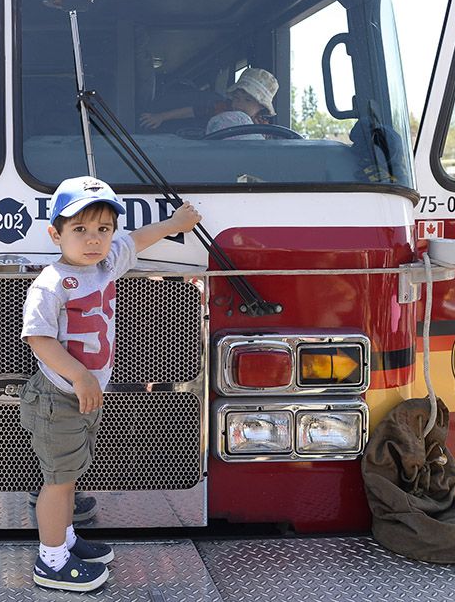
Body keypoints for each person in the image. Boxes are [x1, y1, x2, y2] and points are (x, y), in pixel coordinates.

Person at [19, 176, 201, 592]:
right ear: (56, 235)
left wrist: (175, 224)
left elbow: (137, 240)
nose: (93, 239)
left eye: (103, 229)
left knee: (71, 476)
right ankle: (50, 562)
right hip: (59, 398)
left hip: (82, 396)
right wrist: (80, 376)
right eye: (80, 229)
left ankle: (65, 541)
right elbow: (39, 339)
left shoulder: (105, 265)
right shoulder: (50, 283)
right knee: (58, 482)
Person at [139, 67, 278, 138]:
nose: (239, 104)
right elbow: (192, 111)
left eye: (247, 100)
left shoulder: (263, 129)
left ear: (261, 106)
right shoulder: (222, 108)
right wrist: (161, 117)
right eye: (236, 98)